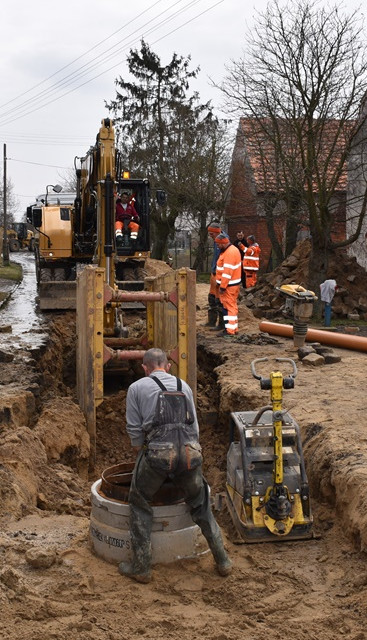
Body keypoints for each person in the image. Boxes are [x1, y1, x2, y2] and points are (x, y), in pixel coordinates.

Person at [120, 348, 233, 583]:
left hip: (160, 455)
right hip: (190, 454)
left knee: (139, 500)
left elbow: (134, 430)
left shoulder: (137, 388)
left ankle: (141, 567)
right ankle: (223, 560)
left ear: (145, 368)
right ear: (168, 366)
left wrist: (141, 453)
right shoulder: (184, 386)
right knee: (201, 504)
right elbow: (195, 428)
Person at [214, 233, 242, 336]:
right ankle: (233, 328)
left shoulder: (229, 253)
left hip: (228, 285)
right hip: (233, 284)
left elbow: (227, 272)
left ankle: (229, 331)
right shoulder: (233, 250)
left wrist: (222, 286)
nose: (217, 246)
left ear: (223, 243)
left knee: (228, 307)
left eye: (218, 244)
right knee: (232, 306)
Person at [205, 223, 224, 329]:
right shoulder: (217, 241)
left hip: (219, 275)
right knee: (212, 298)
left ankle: (221, 324)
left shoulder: (223, 243)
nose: (210, 236)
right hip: (215, 273)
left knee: (219, 300)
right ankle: (211, 321)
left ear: (217, 232)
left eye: (211, 234)